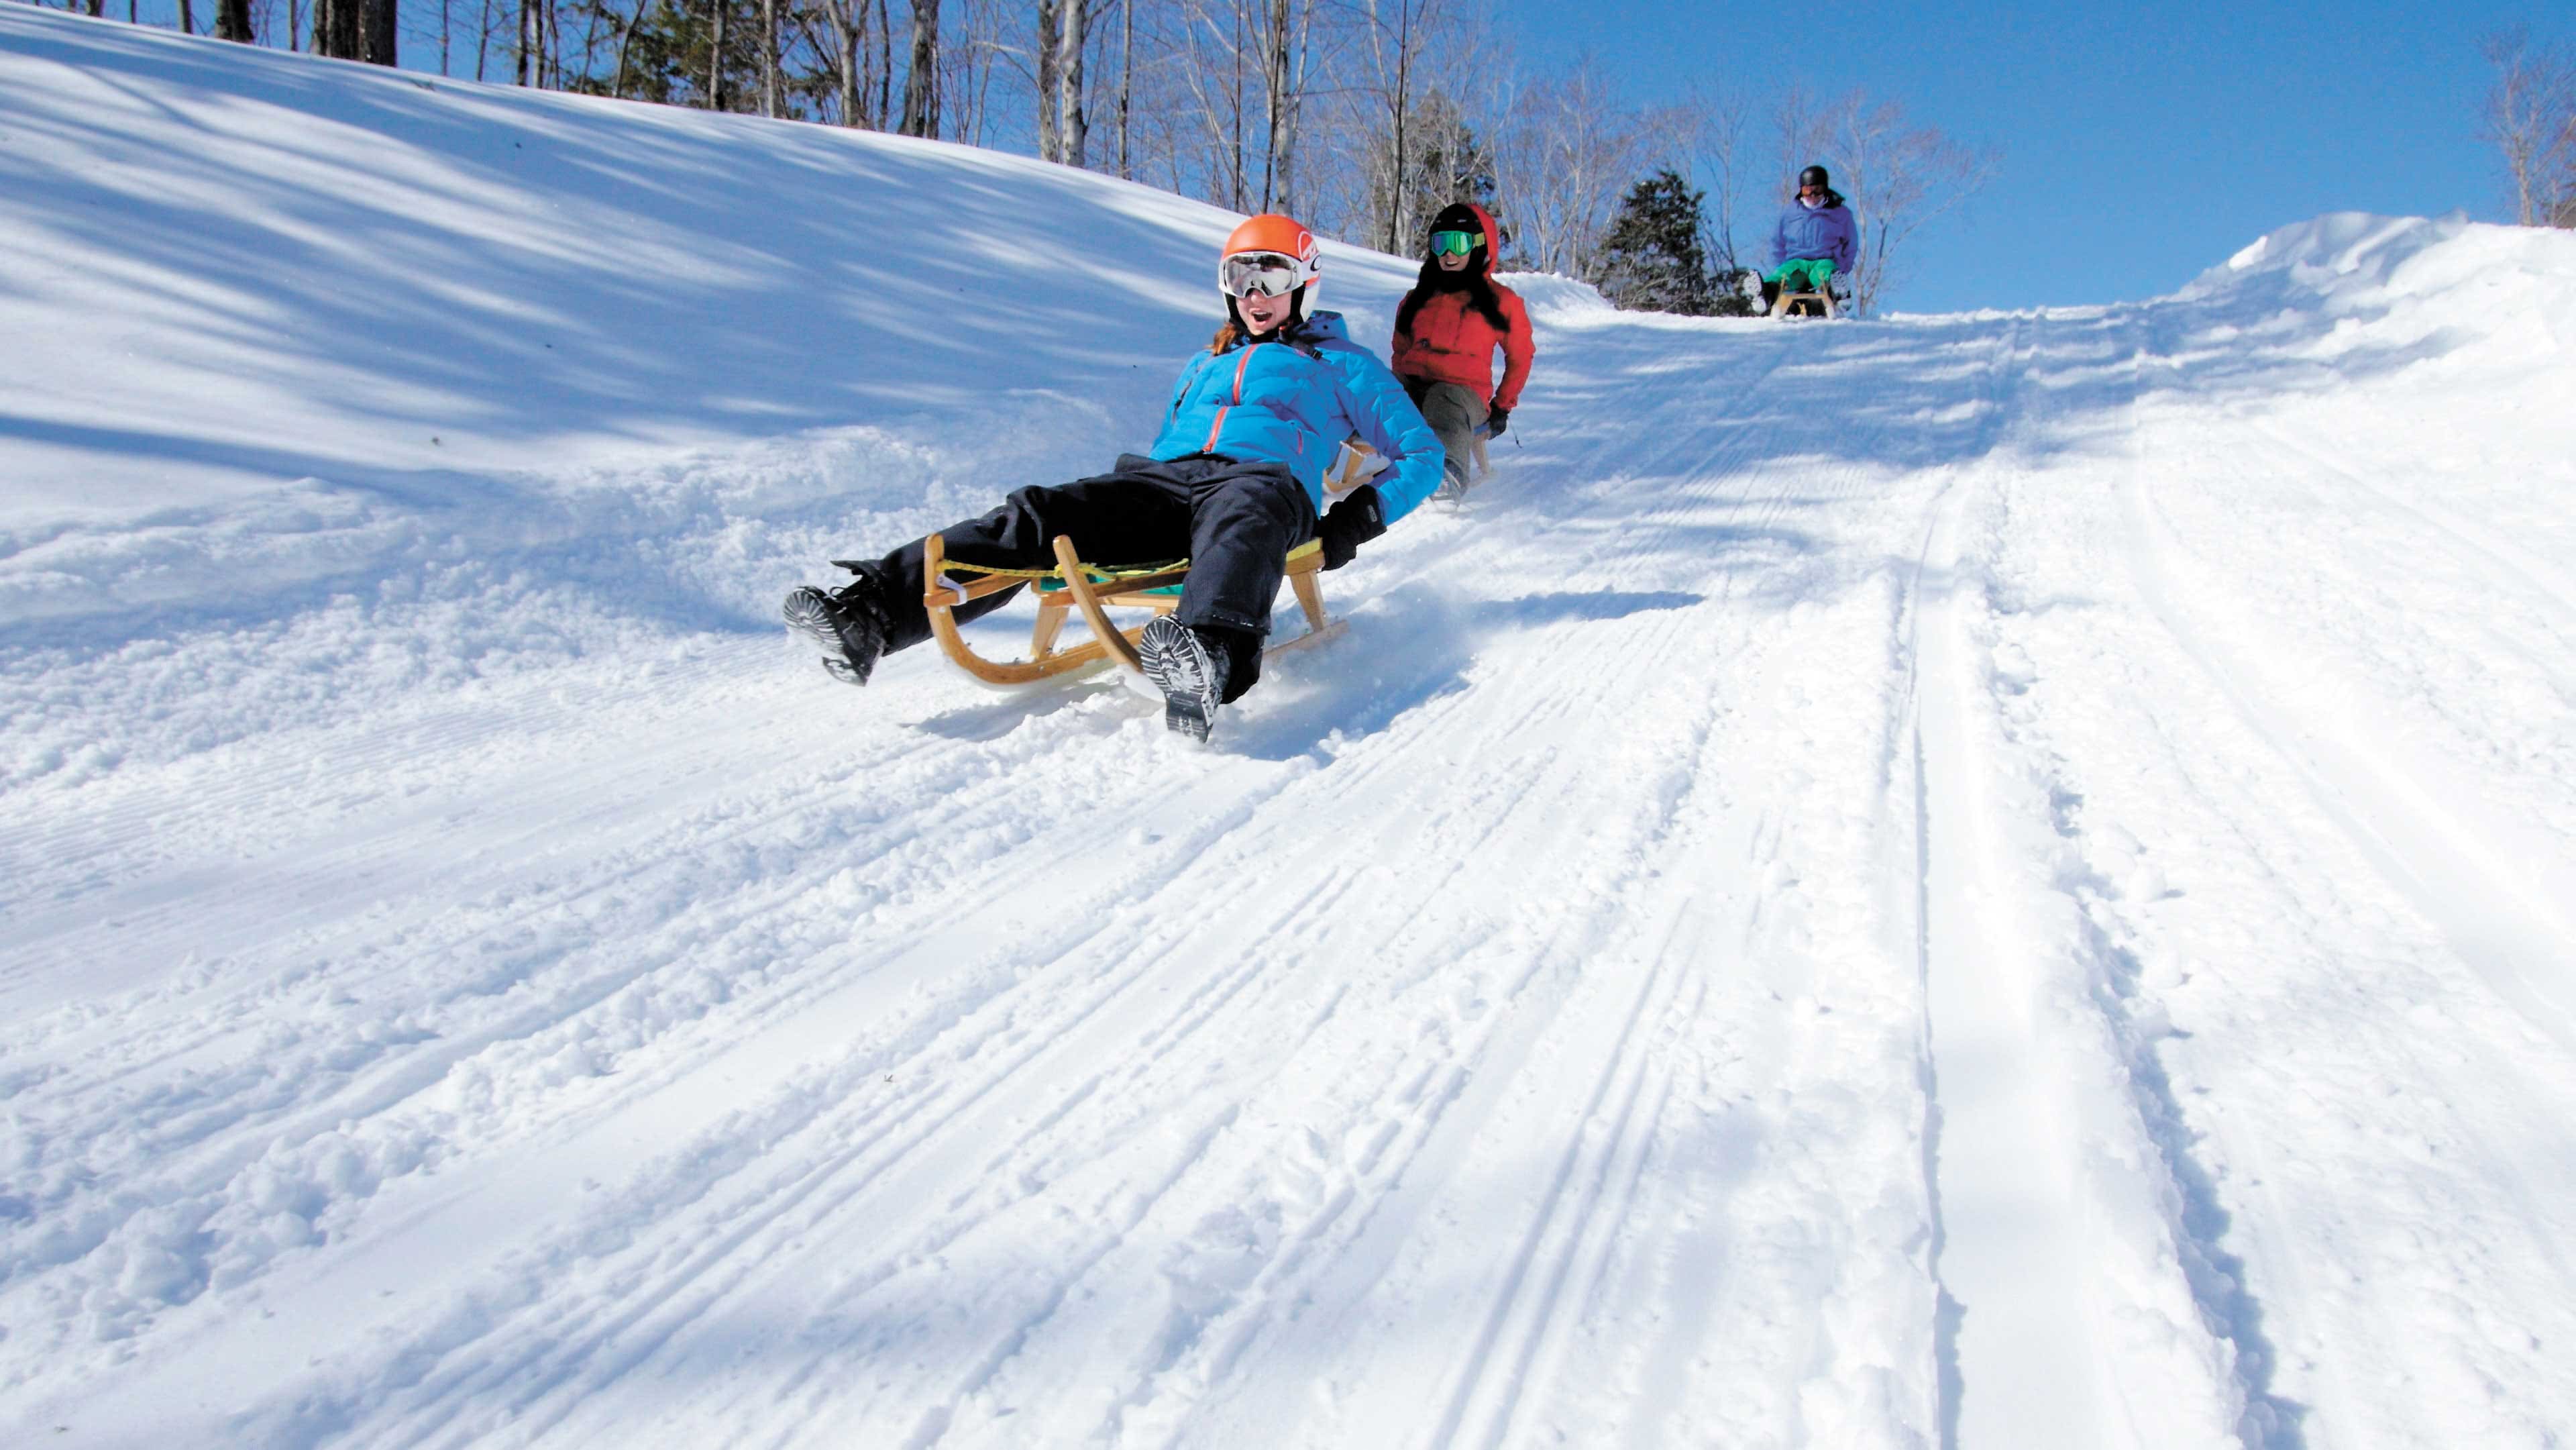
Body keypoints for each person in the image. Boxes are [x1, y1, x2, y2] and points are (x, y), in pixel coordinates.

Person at [782, 213, 1444, 743]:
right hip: (1165, 484)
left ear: (1305, 282)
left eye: (1271, 277)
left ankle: (1208, 657)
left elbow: (1422, 453)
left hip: (1264, 486)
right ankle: (871, 615)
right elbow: (1171, 438)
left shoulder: (1341, 362)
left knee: (1243, 518)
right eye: (1241, 278)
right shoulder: (1205, 361)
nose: (1254, 295)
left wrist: (1351, 524)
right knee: (1044, 511)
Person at [1388, 202, 1534, 497]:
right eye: (1440, 243)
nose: (1448, 253)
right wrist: (1399, 384)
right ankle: (1323, 451)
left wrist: (1502, 407)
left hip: (1464, 398)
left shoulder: (1501, 301)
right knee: (1375, 387)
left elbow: (1520, 356)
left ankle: (1446, 476)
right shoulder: (1418, 298)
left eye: (1458, 243)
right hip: (1417, 387)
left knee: (1444, 399)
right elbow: (1400, 346)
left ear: (1479, 246)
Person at [1752, 164, 1857, 313]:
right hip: (1797, 262)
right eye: (1808, 190)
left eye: (1817, 190)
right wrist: (1780, 264)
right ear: (1801, 190)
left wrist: (1842, 268)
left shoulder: (1840, 214)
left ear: (1825, 189)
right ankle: (1766, 294)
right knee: (1784, 276)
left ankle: (1839, 292)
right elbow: (1778, 243)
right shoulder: (1790, 214)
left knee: (1825, 273)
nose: (1813, 195)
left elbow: (1850, 245)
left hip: (1824, 260)